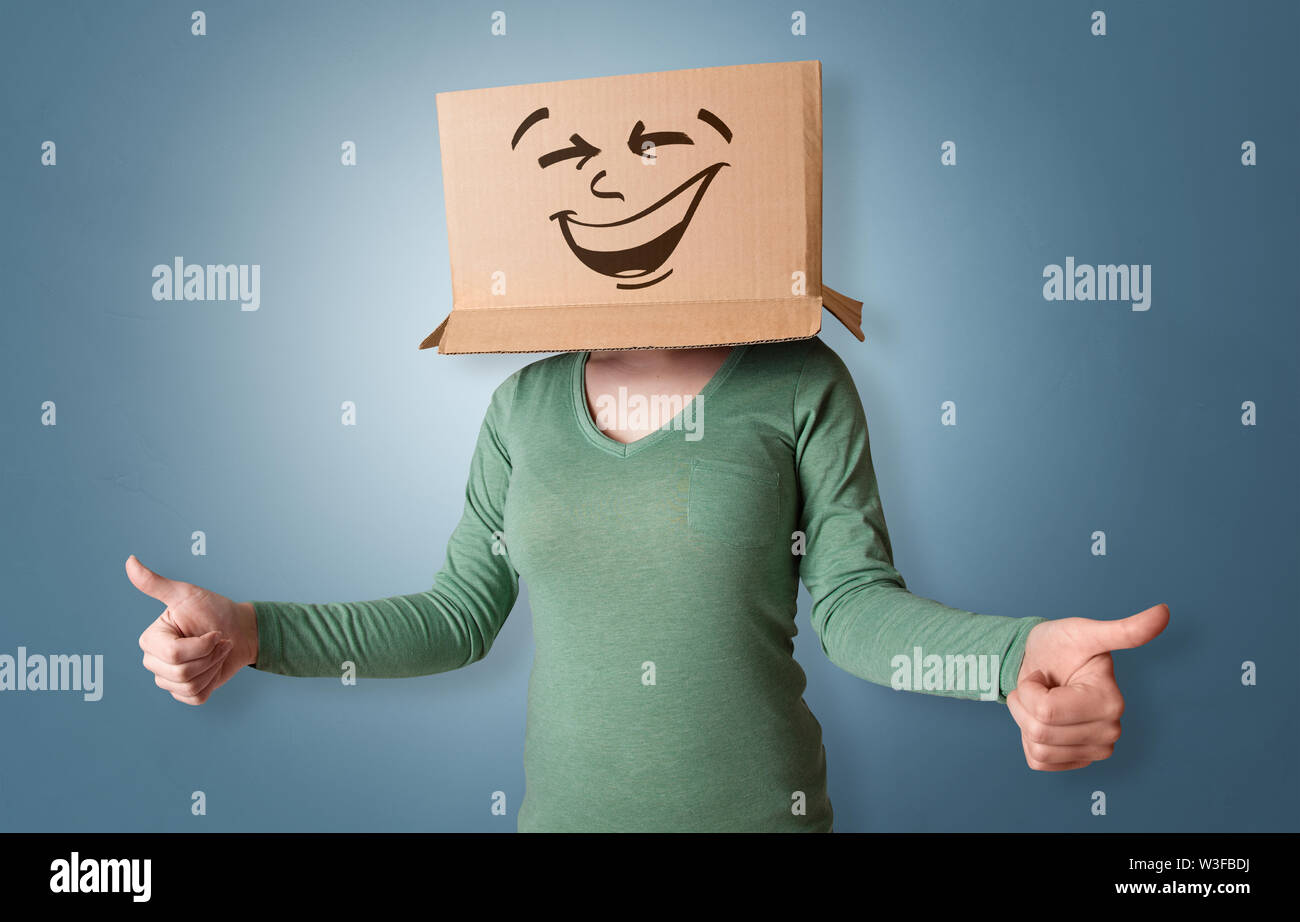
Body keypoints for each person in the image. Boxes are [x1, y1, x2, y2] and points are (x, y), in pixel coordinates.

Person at [127, 337, 1169, 832]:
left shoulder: (800, 381)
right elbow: (456, 616)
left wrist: (1008, 654)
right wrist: (256, 631)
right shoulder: (524, 404)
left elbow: (851, 610)